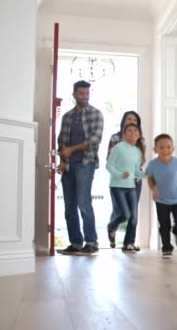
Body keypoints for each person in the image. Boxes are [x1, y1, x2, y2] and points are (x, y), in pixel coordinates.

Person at [56, 80, 104, 255]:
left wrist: (72, 149)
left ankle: (91, 243)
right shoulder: (67, 116)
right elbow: (61, 140)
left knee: (84, 203)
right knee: (69, 206)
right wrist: (62, 158)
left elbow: (95, 139)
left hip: (85, 163)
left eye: (87, 93)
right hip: (68, 165)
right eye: (81, 93)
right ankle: (75, 243)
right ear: (74, 94)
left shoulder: (96, 114)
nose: (85, 97)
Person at [145, 134, 177, 258]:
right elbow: (150, 179)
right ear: (155, 150)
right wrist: (153, 189)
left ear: (172, 149)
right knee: (164, 225)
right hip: (161, 200)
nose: (165, 150)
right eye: (161, 147)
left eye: (168, 147)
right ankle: (167, 248)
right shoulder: (153, 164)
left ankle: (176, 231)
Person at [106, 111, 145, 249]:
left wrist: (145, 174)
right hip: (119, 183)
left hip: (135, 183)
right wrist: (120, 174)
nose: (132, 121)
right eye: (129, 119)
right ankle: (112, 228)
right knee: (122, 213)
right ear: (123, 122)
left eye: (135, 120)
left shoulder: (140, 142)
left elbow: (139, 163)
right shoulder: (116, 139)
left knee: (133, 215)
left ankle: (129, 243)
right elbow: (110, 161)